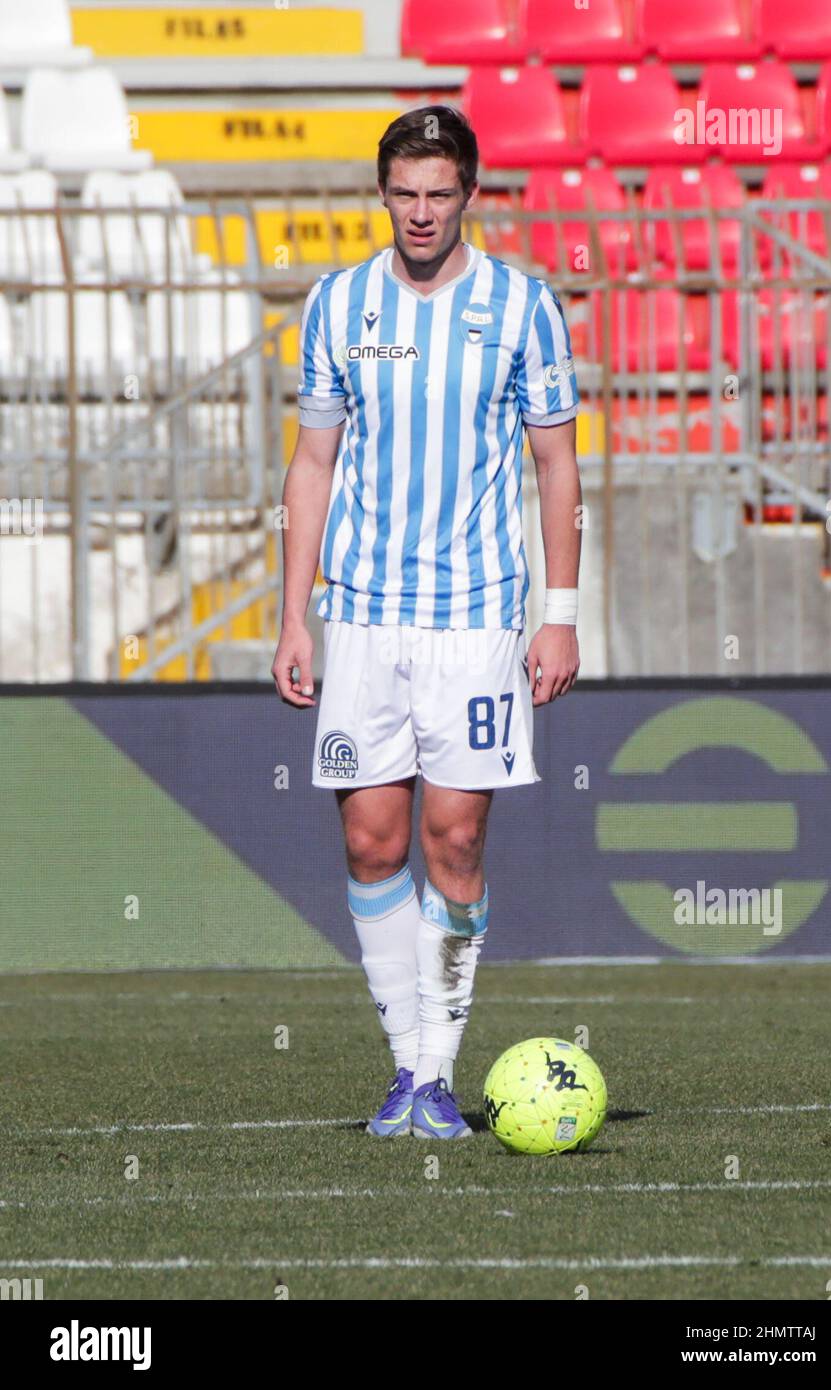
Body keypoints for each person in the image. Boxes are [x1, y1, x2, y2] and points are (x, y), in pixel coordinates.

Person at [272, 105, 581, 1139]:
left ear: (469, 195)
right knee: (371, 843)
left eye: (438, 193)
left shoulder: (522, 305)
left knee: (452, 839)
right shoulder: (337, 302)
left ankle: (438, 1074)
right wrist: (294, 616)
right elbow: (312, 461)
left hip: (477, 621)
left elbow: (555, 465)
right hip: (358, 616)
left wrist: (560, 615)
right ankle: (405, 1066)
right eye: (402, 192)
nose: (419, 211)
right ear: (382, 194)